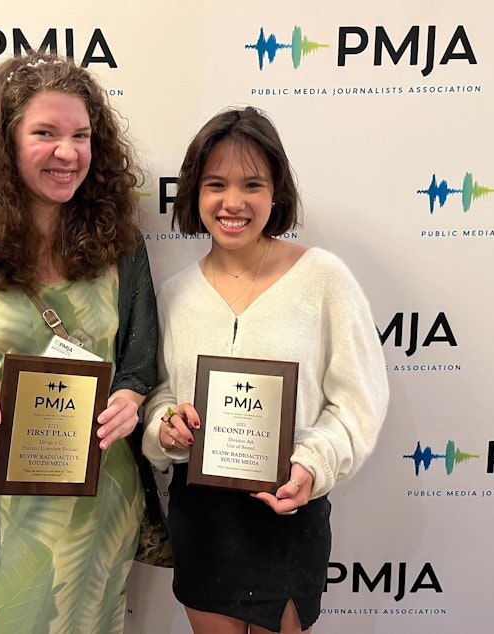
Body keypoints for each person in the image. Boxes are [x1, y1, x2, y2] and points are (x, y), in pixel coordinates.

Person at [0, 52, 158, 633]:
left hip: (96, 500)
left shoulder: (121, 249)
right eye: (44, 133)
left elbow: (139, 367)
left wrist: (130, 400)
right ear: (4, 143)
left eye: (81, 135)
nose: (67, 152)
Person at [142, 106, 388, 634]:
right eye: (215, 184)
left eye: (252, 184)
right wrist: (167, 427)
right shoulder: (174, 294)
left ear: (276, 191)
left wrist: (313, 465)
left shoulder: (323, 279)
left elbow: (357, 401)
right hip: (203, 520)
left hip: (287, 512)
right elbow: (159, 392)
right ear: (194, 194)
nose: (233, 202)